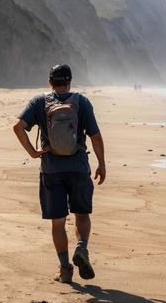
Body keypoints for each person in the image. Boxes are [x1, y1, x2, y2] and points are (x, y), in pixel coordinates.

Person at [13, 64, 106, 284]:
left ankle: (65, 269)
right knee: (82, 215)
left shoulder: (39, 102)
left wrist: (33, 152)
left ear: (50, 82)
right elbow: (95, 136)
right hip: (78, 167)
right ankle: (81, 247)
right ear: (70, 81)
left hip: (51, 169)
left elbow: (18, 127)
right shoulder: (81, 102)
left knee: (58, 222)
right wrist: (102, 164)